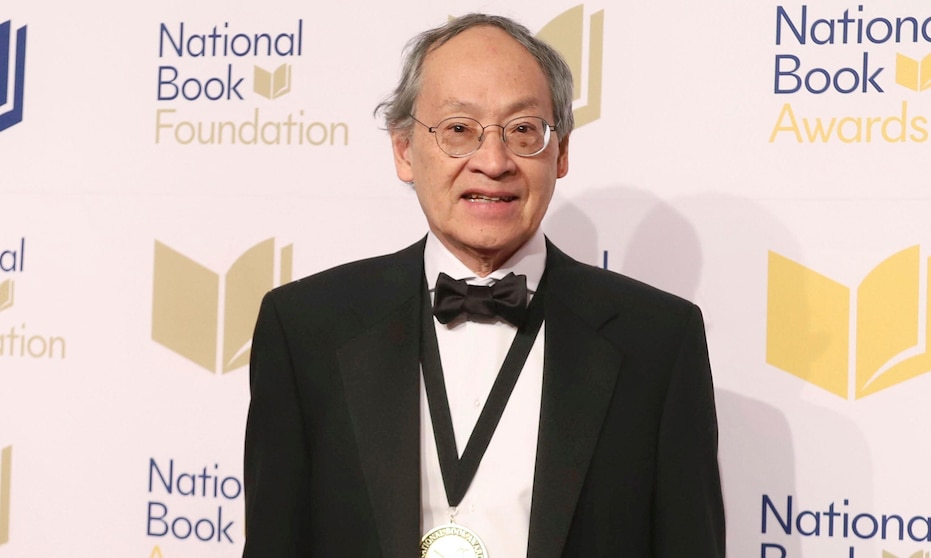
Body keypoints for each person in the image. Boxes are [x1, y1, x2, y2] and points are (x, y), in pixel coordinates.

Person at [243, 13, 724, 558]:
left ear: (562, 152)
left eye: (523, 131)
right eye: (458, 130)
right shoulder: (306, 328)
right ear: (404, 150)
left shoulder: (658, 342)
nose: (493, 162)